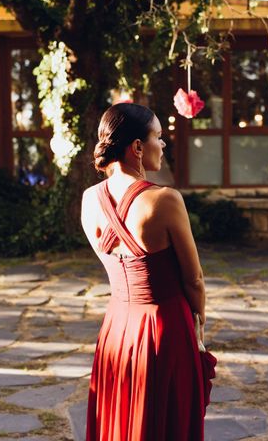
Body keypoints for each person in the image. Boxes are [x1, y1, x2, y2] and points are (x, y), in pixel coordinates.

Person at [80, 103, 215, 440]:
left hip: (116, 329)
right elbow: (193, 279)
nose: (164, 144)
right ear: (137, 147)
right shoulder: (165, 200)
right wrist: (198, 321)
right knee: (164, 421)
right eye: (158, 136)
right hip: (164, 329)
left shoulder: (88, 200)